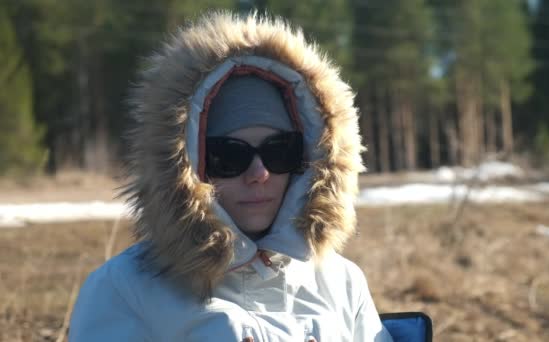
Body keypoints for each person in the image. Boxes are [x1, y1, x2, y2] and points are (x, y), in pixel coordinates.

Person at [69, 11, 393, 342]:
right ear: (185, 168)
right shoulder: (124, 291)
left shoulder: (343, 283)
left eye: (279, 151)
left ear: (311, 159)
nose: (259, 174)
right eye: (229, 156)